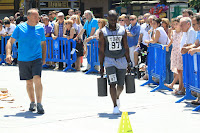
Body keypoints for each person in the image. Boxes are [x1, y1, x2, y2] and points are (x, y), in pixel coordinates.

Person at [5, 8, 46, 114]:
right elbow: (10, 41)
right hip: (23, 59)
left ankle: (39, 103)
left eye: (38, 16)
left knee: (37, 78)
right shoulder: (20, 28)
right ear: (28, 17)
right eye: (35, 16)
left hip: (37, 58)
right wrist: (9, 54)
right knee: (29, 82)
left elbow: (43, 44)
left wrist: (44, 58)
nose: (38, 18)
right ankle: (32, 102)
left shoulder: (40, 28)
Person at [99, 10, 131, 114]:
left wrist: (128, 61)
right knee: (112, 83)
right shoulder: (103, 32)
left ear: (117, 19)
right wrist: (101, 65)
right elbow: (101, 50)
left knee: (121, 85)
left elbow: (126, 46)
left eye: (114, 19)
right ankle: (115, 105)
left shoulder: (122, 30)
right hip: (109, 61)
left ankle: (116, 96)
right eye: (111, 19)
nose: (113, 21)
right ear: (107, 19)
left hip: (121, 60)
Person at [145, 18, 173, 84]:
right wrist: (150, 41)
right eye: (152, 23)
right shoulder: (155, 30)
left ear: (158, 24)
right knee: (166, 64)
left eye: (154, 23)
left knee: (165, 64)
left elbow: (154, 41)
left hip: (166, 47)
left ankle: (166, 82)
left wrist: (148, 41)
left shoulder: (158, 29)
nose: (153, 25)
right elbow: (153, 39)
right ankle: (167, 81)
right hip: (164, 47)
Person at [163, 18, 184, 95]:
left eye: (176, 24)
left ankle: (175, 85)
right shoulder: (173, 32)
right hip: (174, 51)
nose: (175, 26)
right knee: (175, 69)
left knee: (179, 70)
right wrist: (168, 46)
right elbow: (172, 40)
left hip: (180, 52)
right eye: (174, 24)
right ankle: (175, 85)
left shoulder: (182, 32)